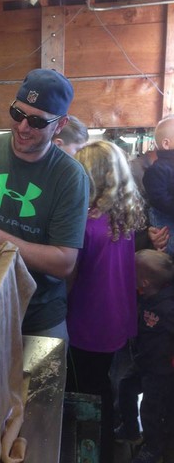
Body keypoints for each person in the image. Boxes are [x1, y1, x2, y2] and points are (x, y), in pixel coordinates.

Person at [0, 68, 89, 342]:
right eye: (18, 114)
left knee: (40, 385)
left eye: (37, 121)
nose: (23, 128)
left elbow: (64, 263)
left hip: (37, 316)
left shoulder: (70, 177)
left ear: (60, 125)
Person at [65, 140, 146, 463]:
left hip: (87, 320)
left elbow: (70, 274)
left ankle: (91, 448)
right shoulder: (121, 216)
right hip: (115, 318)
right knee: (103, 386)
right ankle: (107, 441)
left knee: (86, 390)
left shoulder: (85, 224)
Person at [115, 249, 174, 463]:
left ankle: (153, 447)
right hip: (143, 360)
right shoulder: (146, 294)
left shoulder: (167, 308)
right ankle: (130, 429)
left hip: (161, 371)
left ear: (146, 282)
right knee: (125, 387)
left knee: (152, 410)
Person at [142, 116, 174, 256]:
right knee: (169, 244)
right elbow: (158, 197)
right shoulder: (157, 170)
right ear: (166, 144)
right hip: (165, 218)